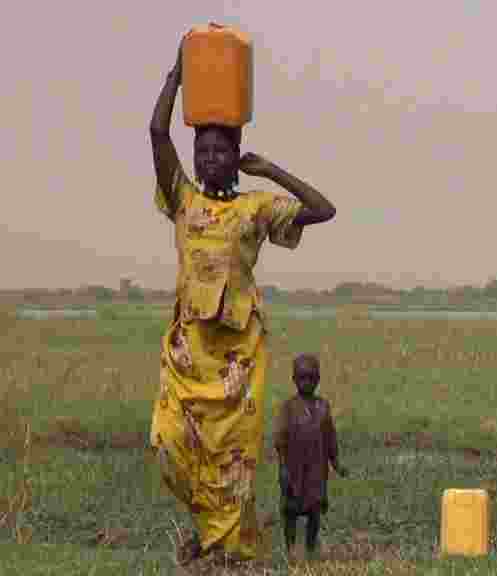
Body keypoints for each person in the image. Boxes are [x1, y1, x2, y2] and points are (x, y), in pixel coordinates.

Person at [147, 38, 336, 565]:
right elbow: (158, 132)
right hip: (188, 354)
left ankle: (222, 547)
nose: (209, 157)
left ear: (235, 157)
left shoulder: (255, 207)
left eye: (220, 150)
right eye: (202, 149)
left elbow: (323, 210)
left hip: (236, 357)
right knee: (169, 445)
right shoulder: (181, 198)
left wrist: (270, 170)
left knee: (231, 465)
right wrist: (178, 73)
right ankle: (210, 533)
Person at [273, 354, 347, 560]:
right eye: (302, 378)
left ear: (318, 379)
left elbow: (330, 437)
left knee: (314, 510)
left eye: (311, 378)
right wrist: (283, 468)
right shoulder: (288, 408)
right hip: (294, 468)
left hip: (316, 469)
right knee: (291, 511)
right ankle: (290, 550)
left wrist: (336, 463)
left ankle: (311, 548)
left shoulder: (323, 407)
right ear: (294, 379)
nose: (307, 382)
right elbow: (280, 440)